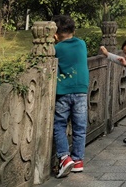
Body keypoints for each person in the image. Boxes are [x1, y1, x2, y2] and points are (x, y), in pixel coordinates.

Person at [52, 14, 90, 178]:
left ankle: (64, 157)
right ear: (74, 30)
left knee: (59, 124)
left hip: (63, 92)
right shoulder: (82, 44)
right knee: (80, 127)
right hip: (81, 91)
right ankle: (78, 160)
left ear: (55, 35)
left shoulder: (56, 48)